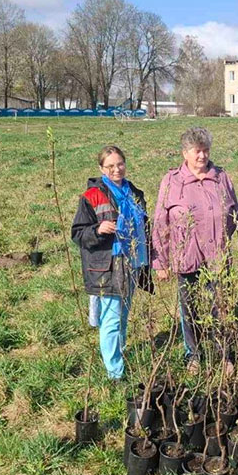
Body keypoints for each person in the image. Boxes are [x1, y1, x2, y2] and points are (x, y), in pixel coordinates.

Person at [152, 127, 237, 374]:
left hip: (217, 257)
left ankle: (224, 355)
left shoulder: (221, 178)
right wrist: (161, 262)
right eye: (197, 151)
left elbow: (234, 213)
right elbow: (161, 223)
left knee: (220, 307)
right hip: (186, 257)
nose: (202, 156)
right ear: (185, 153)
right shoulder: (171, 181)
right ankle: (193, 355)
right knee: (188, 309)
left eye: (206, 150)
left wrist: (221, 237)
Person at [71, 146, 152, 380]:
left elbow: (144, 226)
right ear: (101, 169)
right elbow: (78, 233)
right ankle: (115, 373)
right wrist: (98, 229)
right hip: (108, 266)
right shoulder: (92, 196)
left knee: (123, 315)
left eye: (120, 164)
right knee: (112, 319)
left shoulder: (134, 193)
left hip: (133, 262)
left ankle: (120, 353)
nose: (117, 170)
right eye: (110, 166)